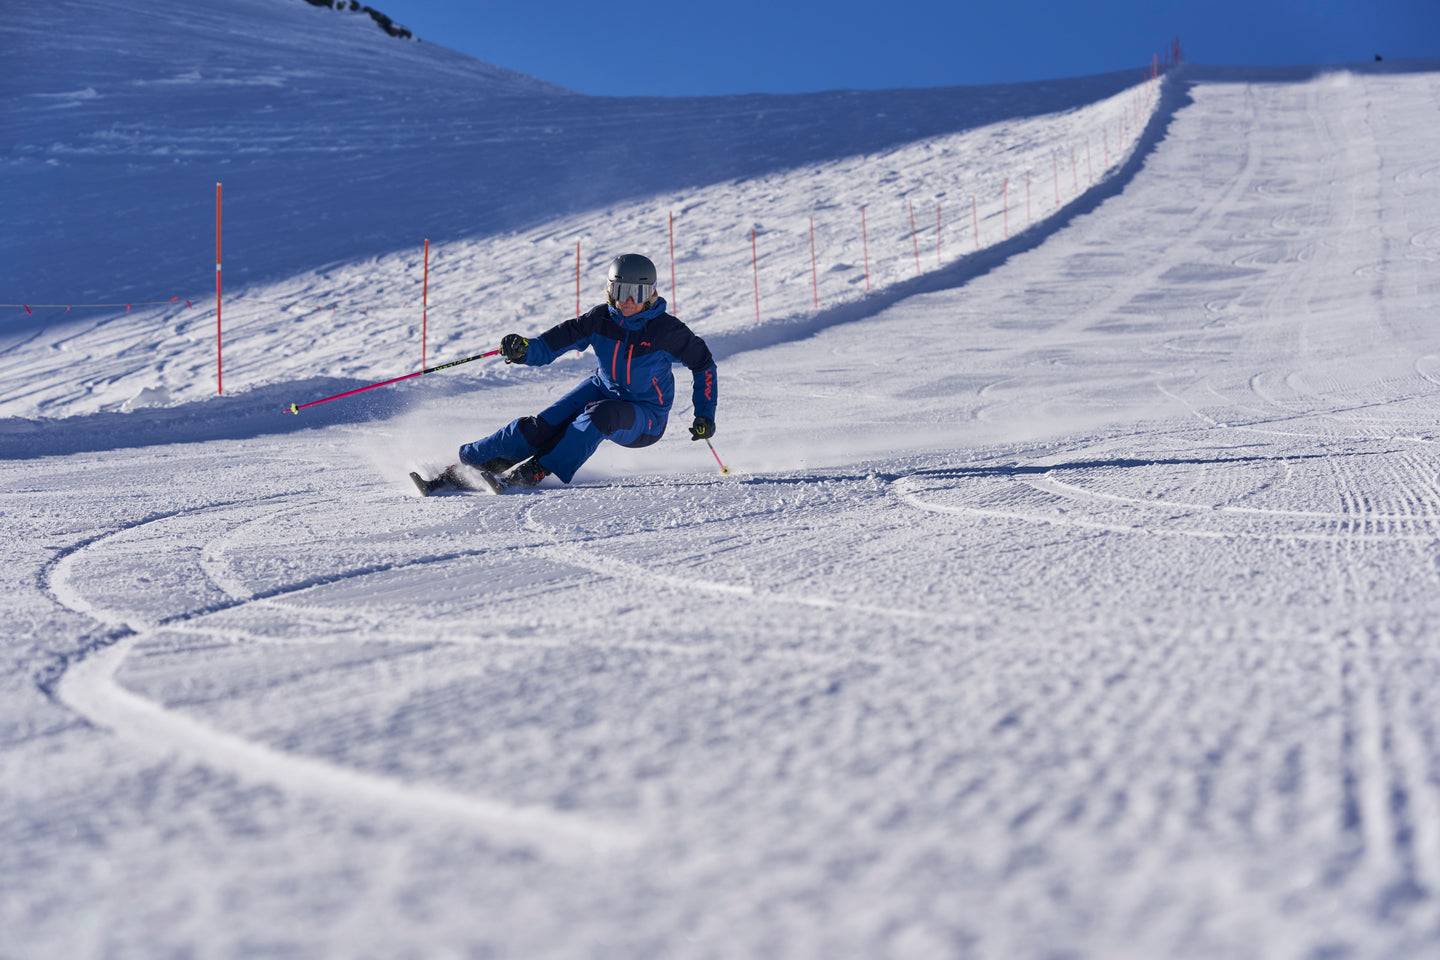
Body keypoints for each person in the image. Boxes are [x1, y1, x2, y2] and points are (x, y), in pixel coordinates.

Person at [423, 253, 717, 493]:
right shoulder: (599, 320)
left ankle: (538, 469)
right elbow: (552, 343)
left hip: (647, 416)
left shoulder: (667, 331)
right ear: (610, 291)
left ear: (651, 293)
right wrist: (524, 349)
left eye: (637, 292)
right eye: (620, 291)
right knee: (538, 428)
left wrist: (704, 414)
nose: (628, 301)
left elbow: (703, 364)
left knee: (601, 415)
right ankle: (468, 463)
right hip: (603, 387)